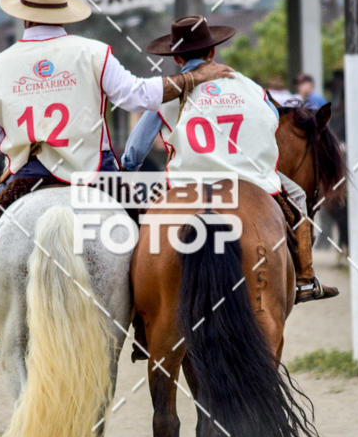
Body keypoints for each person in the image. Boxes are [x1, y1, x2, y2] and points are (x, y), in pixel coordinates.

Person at [0, 0, 234, 366]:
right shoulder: (94, 52)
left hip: (27, 176)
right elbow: (137, 96)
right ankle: (145, 326)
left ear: (24, 20)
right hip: (98, 174)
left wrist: (20, 139)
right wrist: (191, 78)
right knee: (150, 232)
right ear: (65, 17)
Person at [123, 16, 338, 304]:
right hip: (247, 177)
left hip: (188, 179)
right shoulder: (249, 86)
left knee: (145, 227)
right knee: (297, 195)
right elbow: (271, 122)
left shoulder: (168, 90)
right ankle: (305, 277)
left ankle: (138, 307)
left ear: (175, 57)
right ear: (212, 52)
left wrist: (128, 168)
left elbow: (135, 150)